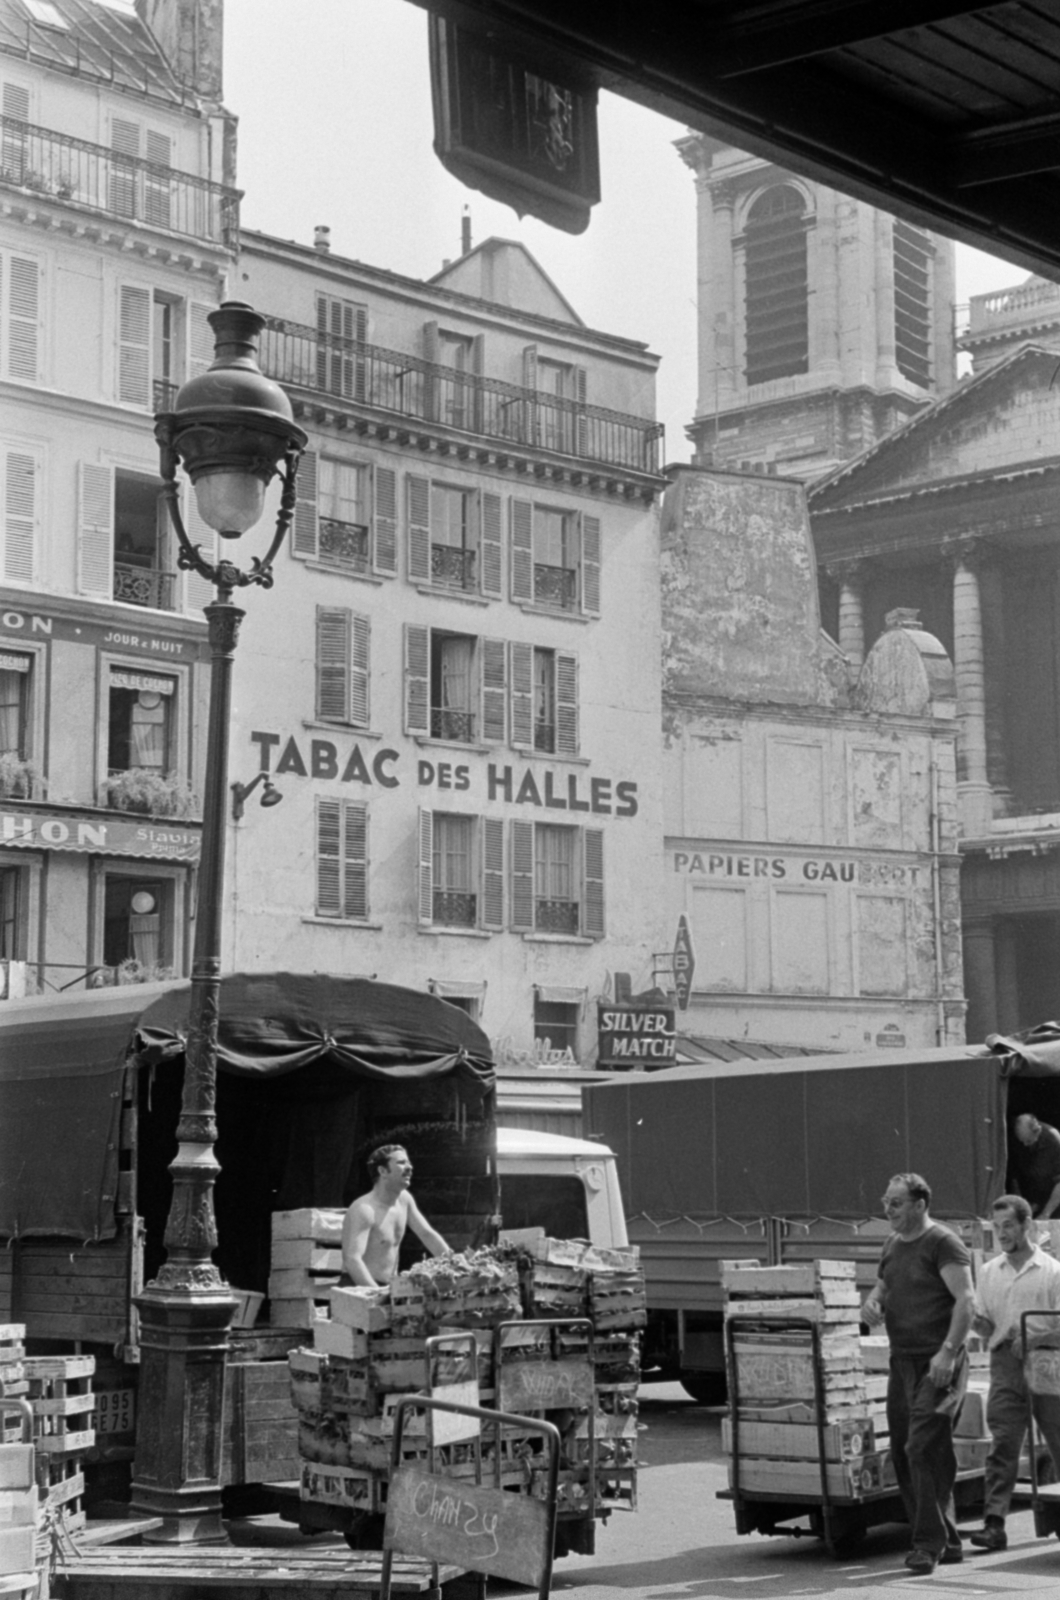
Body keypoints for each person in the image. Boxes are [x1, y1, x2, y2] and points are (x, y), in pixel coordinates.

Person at [862, 1172, 975, 1575]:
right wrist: (873, 1302)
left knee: (920, 1447)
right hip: (902, 1362)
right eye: (886, 1200)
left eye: (896, 1202)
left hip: (938, 1361)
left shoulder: (942, 1242)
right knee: (914, 1452)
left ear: (920, 1205)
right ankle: (948, 1539)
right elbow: (882, 1286)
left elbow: (966, 1300)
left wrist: (948, 1352)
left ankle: (926, 1544)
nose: (887, 1209)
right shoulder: (893, 1244)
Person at [968, 1194, 1060, 1551]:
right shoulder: (989, 1272)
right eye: (997, 1227)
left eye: (1008, 1225)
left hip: (1047, 1362)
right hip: (1005, 1363)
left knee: (1057, 1437)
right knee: (1004, 1441)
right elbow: (987, 1325)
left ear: (1027, 1226)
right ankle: (994, 1524)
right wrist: (976, 1322)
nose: (1002, 1233)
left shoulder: (1051, 1270)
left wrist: (1033, 1334)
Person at [340, 1143, 449, 1287]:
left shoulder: (404, 1200)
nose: (410, 1168)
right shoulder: (363, 1209)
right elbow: (352, 1259)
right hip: (356, 1289)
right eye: (401, 1163)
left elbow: (426, 1234)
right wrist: (376, 1295)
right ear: (383, 1171)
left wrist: (454, 1263)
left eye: (409, 1163)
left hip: (389, 1288)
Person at [1011, 1114, 1060, 1219]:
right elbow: (1014, 1175)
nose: (1024, 1144)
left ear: (1037, 1131)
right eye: (1022, 1141)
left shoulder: (1053, 1141)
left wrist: (1046, 1213)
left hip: (1054, 1201)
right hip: (1033, 1200)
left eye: (1028, 1141)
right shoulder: (1021, 1141)